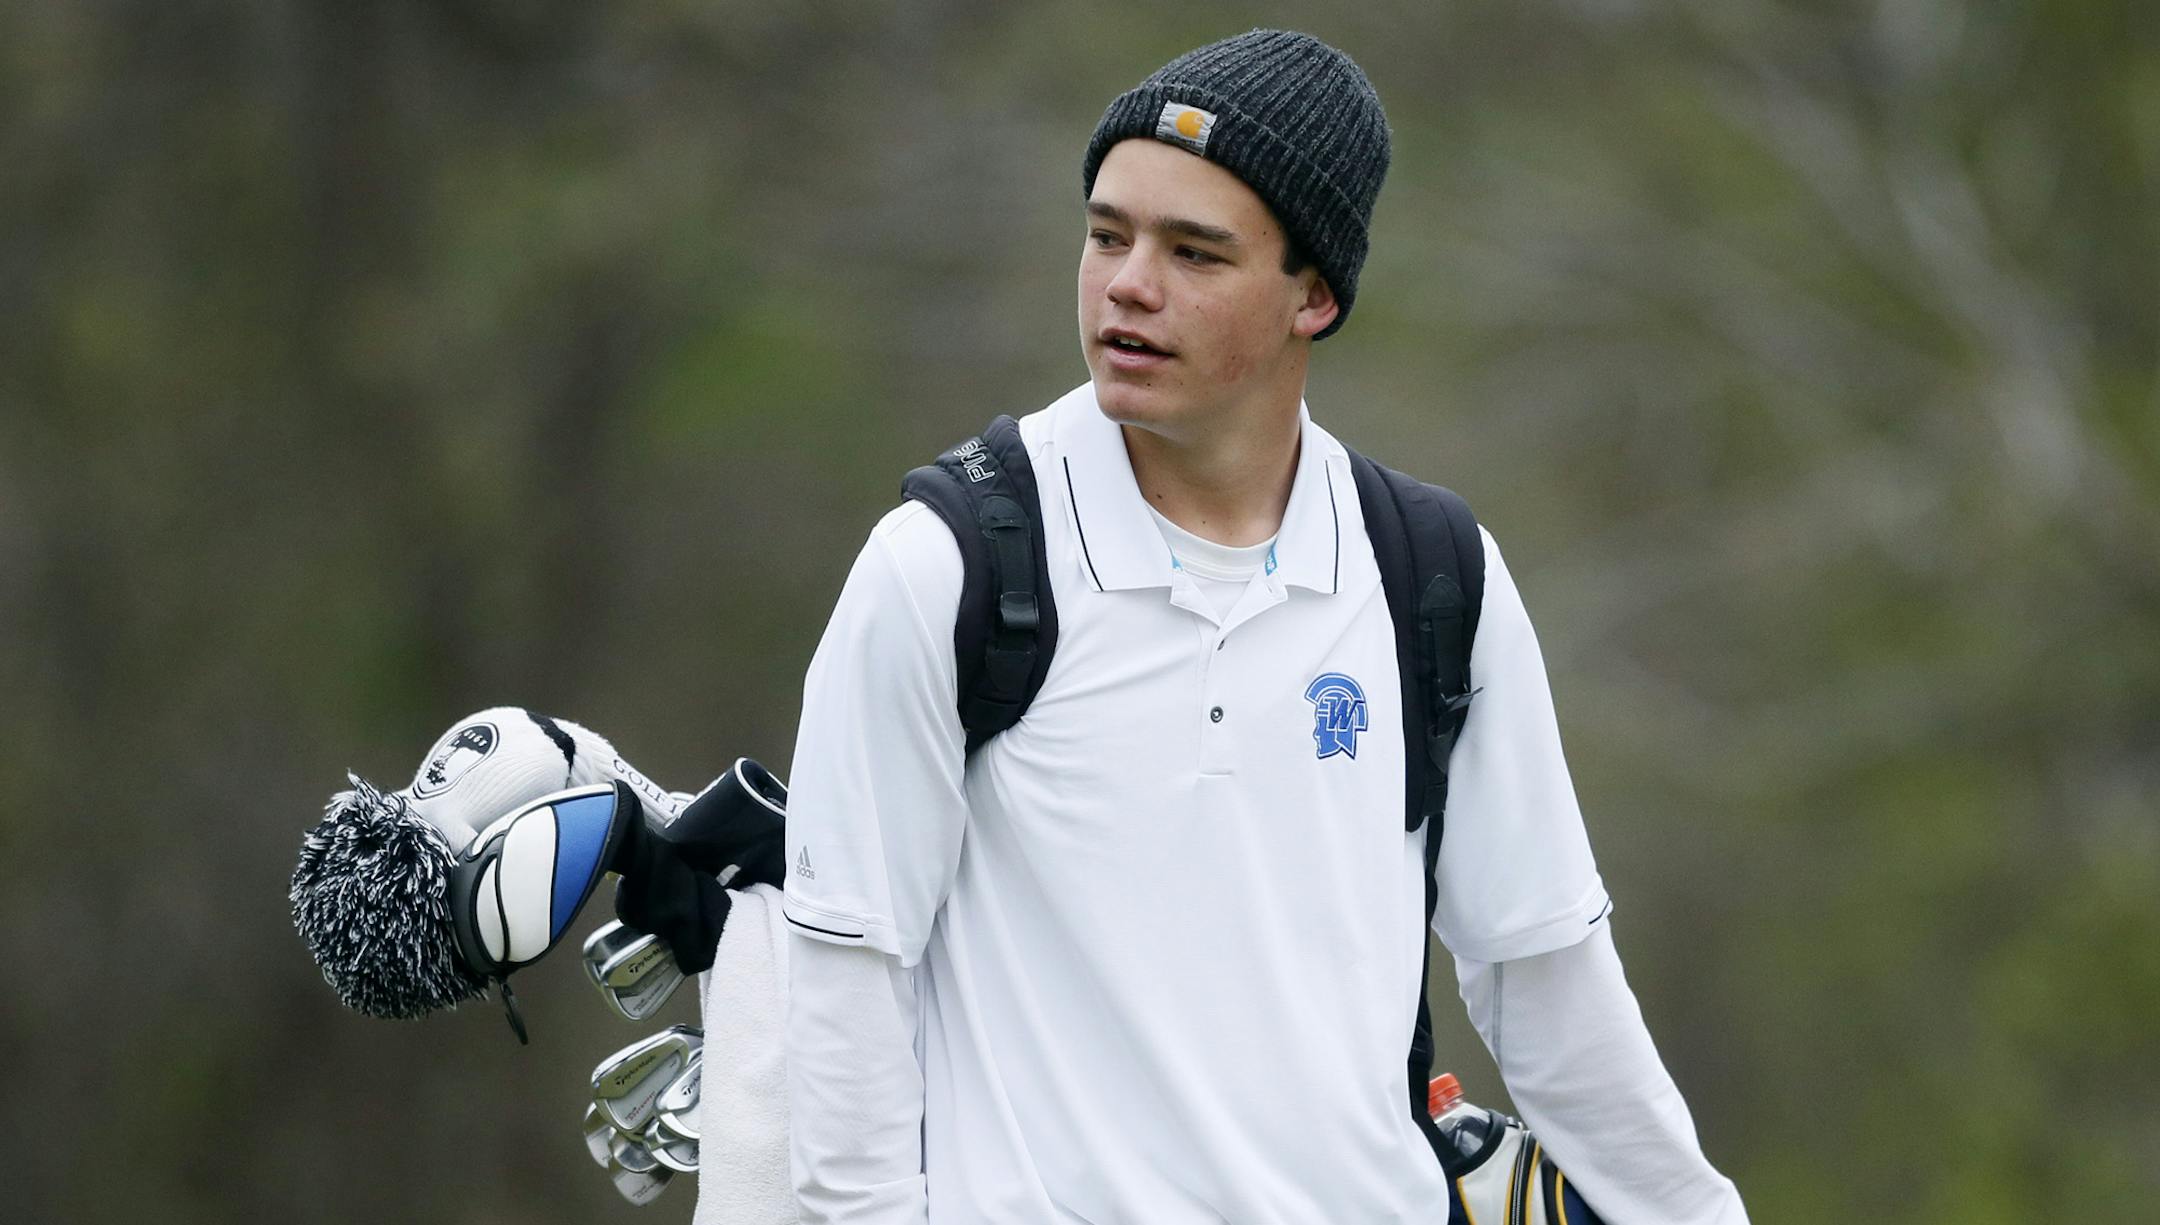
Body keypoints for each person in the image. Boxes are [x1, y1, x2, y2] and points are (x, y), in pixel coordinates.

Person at [781, 29, 1748, 1224]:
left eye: (1196, 252)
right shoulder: (947, 567)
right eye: (1106, 234)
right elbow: (843, 984)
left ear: (1316, 296)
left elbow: (1541, 974)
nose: (1129, 283)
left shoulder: (1432, 575)